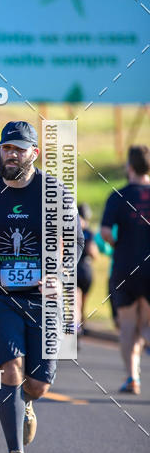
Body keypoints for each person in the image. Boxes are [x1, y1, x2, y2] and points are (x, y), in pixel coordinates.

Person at [0, 121, 84, 453]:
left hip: (42, 298)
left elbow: (74, 242)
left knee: (38, 383)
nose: (10, 154)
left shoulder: (55, 192)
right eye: (5, 148)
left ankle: (26, 404)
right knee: (11, 369)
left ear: (34, 153)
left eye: (17, 148)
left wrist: (58, 275)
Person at [100, 145, 150, 395]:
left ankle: (132, 377)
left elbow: (106, 232)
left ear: (129, 167)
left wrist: (118, 245)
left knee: (128, 325)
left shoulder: (119, 197)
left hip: (126, 267)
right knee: (147, 325)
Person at [76, 203, 98, 335]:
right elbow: (93, 252)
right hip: (86, 269)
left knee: (75, 301)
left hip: (74, 269)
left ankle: (77, 326)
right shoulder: (89, 232)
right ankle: (82, 325)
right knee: (83, 301)